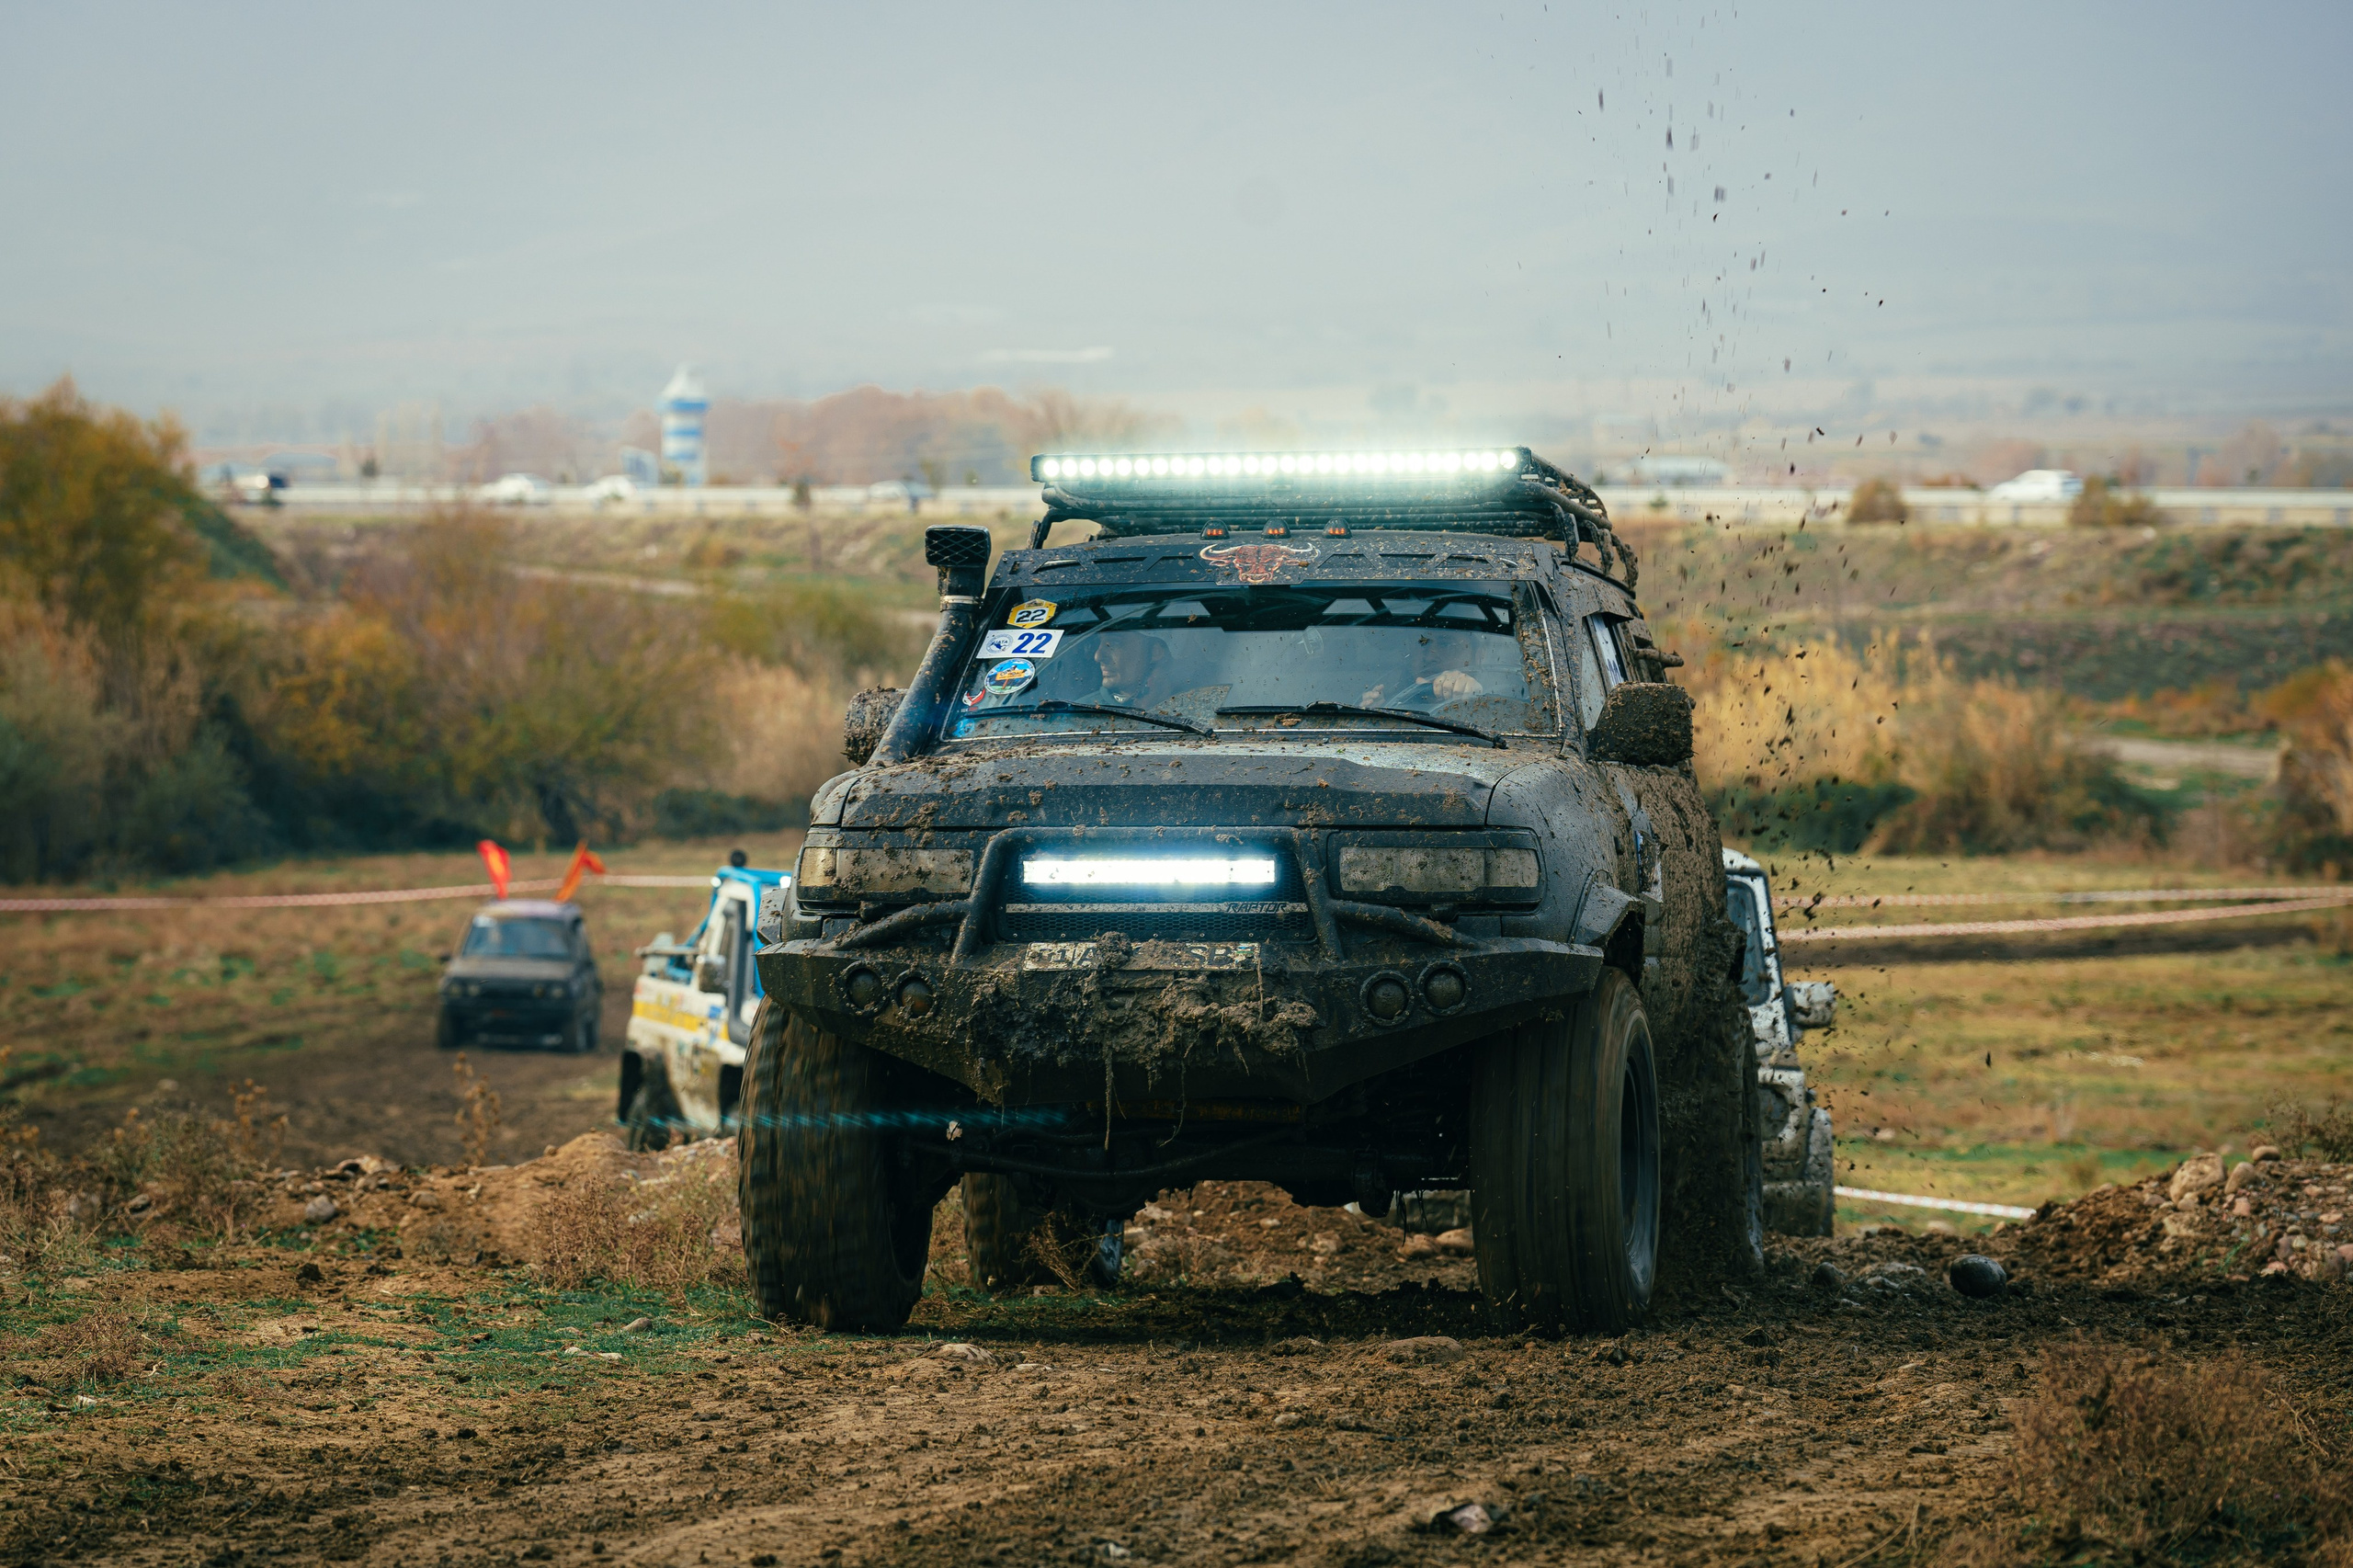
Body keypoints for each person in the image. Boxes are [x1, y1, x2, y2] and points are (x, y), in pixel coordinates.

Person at [1360, 628, 1486, 710]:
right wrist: (1374, 715)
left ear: (1478, 657)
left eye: (1446, 644)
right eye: (1422, 643)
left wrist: (1473, 699)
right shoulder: (1390, 706)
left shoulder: (1496, 709)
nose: (1430, 656)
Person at [1080, 631, 1173, 708]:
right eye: (1098, 643)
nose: (1098, 656)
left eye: (1114, 643)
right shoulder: (1081, 711)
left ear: (1154, 652)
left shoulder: (1183, 701)